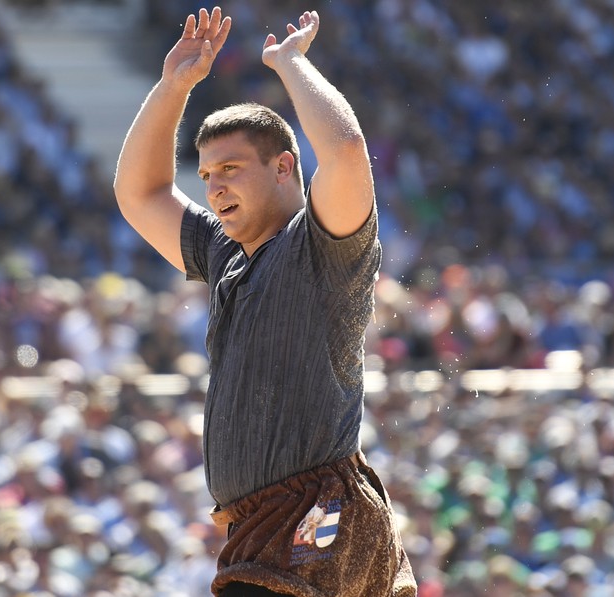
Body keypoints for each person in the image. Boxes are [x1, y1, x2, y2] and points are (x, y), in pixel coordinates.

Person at [113, 6, 416, 596]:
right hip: (265, 527)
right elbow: (139, 192)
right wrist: (174, 84)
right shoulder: (225, 253)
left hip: (317, 517)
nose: (215, 186)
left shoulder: (321, 247)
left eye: (230, 168)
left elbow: (348, 150)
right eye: (205, 176)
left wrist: (291, 63)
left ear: (284, 168)